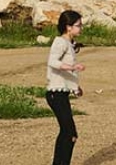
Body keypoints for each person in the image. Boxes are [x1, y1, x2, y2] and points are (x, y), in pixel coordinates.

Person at [46, 10, 86, 165]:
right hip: (55, 95)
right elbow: (52, 62)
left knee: (68, 133)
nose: (80, 28)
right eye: (78, 25)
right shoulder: (60, 42)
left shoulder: (68, 44)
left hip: (61, 94)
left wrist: (76, 87)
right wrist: (73, 66)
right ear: (68, 27)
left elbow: (63, 74)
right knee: (69, 134)